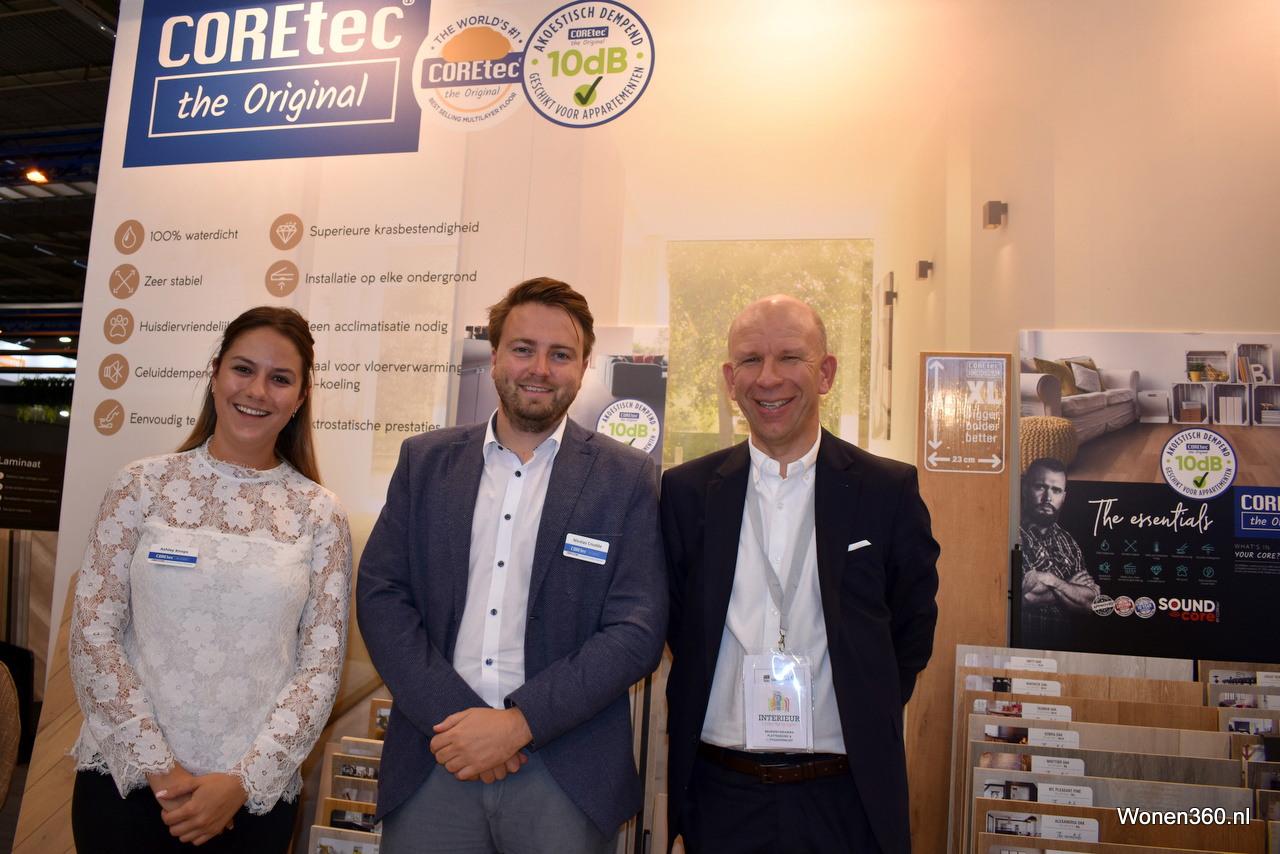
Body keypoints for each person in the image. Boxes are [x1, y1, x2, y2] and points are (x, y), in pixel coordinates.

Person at [357, 277, 666, 853]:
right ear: (495, 354)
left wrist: (517, 725)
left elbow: (636, 629)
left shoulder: (625, 478)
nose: (540, 369)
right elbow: (381, 595)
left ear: (584, 367)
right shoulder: (425, 462)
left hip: (566, 770)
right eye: (524, 349)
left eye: (561, 354)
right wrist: (461, 724)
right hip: (436, 755)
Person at [661, 295, 940, 854]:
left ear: (826, 372)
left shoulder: (886, 491)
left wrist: (865, 707)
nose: (769, 378)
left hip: (847, 797)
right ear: (729, 379)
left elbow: (911, 630)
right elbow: (675, 623)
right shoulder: (686, 493)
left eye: (790, 357)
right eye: (750, 360)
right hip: (721, 795)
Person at [69, 306, 352, 852]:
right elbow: (93, 635)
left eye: (280, 378)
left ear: (300, 397)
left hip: (249, 805)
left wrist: (240, 783)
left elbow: (319, 667)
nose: (257, 391)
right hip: (127, 788)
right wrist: (162, 772)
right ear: (216, 373)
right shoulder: (140, 486)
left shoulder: (320, 514)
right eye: (243, 369)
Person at [1019, 457, 1098, 617]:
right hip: (1027, 631)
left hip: (1067, 633)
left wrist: (1051, 580)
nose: (1047, 498)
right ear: (1025, 490)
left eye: (1056, 490)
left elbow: (1090, 603)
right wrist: (1071, 587)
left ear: (1063, 497)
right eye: (1041, 487)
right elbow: (1026, 596)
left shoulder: (1069, 543)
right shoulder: (1012, 534)